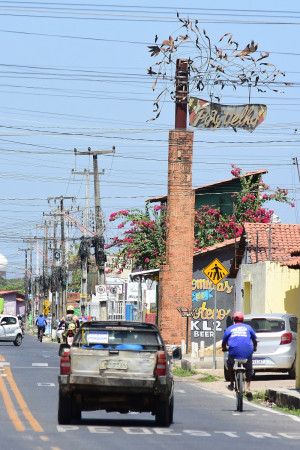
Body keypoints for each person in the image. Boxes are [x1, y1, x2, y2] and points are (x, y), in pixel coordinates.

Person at [222, 311, 257, 397]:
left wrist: (224, 348)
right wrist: (255, 348)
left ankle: (231, 383)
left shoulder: (229, 329)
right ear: (243, 320)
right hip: (247, 351)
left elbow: (224, 342)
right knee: (249, 369)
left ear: (233, 320)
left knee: (230, 365)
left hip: (233, 352)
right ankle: (248, 387)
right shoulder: (248, 328)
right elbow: (254, 340)